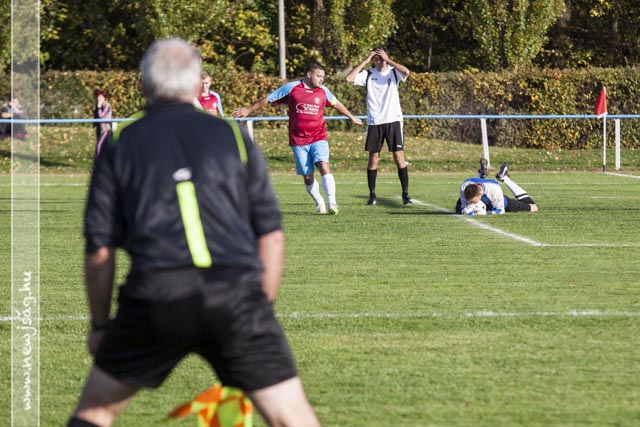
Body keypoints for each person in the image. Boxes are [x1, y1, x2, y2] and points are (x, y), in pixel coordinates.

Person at [67, 38, 320, 427]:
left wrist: (100, 326)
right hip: (236, 298)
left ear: (143, 86)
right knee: (292, 417)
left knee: (95, 411)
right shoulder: (234, 137)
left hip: (157, 296)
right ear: (196, 83)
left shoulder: (120, 142)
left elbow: (99, 248)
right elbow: (271, 235)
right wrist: (259, 311)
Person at [232, 62, 363, 215]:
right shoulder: (292, 87)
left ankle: (332, 203)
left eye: (323, 77)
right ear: (309, 74)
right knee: (307, 177)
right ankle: (319, 201)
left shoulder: (323, 91)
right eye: (319, 76)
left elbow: (337, 104)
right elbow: (268, 99)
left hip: (318, 136)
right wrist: (248, 109)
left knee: (323, 164)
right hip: (298, 139)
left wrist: (352, 117)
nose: (321, 79)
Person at [345, 47, 412, 206]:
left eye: (381, 58)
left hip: (393, 120)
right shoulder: (368, 74)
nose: (379, 61)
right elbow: (349, 79)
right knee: (373, 158)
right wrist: (365, 60)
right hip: (375, 122)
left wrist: (388, 59)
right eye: (376, 58)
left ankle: (405, 194)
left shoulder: (393, 72)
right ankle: (372, 195)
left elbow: (406, 72)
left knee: (398, 156)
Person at [455, 160, 539, 215]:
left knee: (533, 207)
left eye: (473, 202)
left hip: (496, 200)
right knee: (457, 208)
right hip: (481, 189)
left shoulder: (494, 190)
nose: (472, 203)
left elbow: (500, 210)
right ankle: (481, 174)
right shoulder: (464, 186)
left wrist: (486, 213)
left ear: (480, 193)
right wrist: (468, 210)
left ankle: (505, 178)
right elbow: (462, 207)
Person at [93, 90, 112, 156]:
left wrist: (99, 107)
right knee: (102, 145)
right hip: (99, 128)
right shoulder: (98, 105)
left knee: (99, 146)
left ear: (104, 98)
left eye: (101, 97)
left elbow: (101, 115)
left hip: (105, 129)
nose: (99, 98)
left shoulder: (107, 105)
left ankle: (97, 159)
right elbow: (96, 116)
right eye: (98, 97)